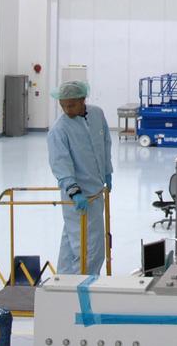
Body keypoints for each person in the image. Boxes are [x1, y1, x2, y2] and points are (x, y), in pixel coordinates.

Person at [47, 80, 112, 275]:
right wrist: (74, 191)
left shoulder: (97, 114)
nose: (67, 110)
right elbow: (60, 162)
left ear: (83, 99)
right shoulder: (59, 130)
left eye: (71, 105)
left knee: (72, 242)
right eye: (63, 106)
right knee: (90, 250)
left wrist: (108, 171)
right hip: (78, 197)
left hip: (96, 192)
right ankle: (82, 293)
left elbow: (105, 142)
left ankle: (63, 284)